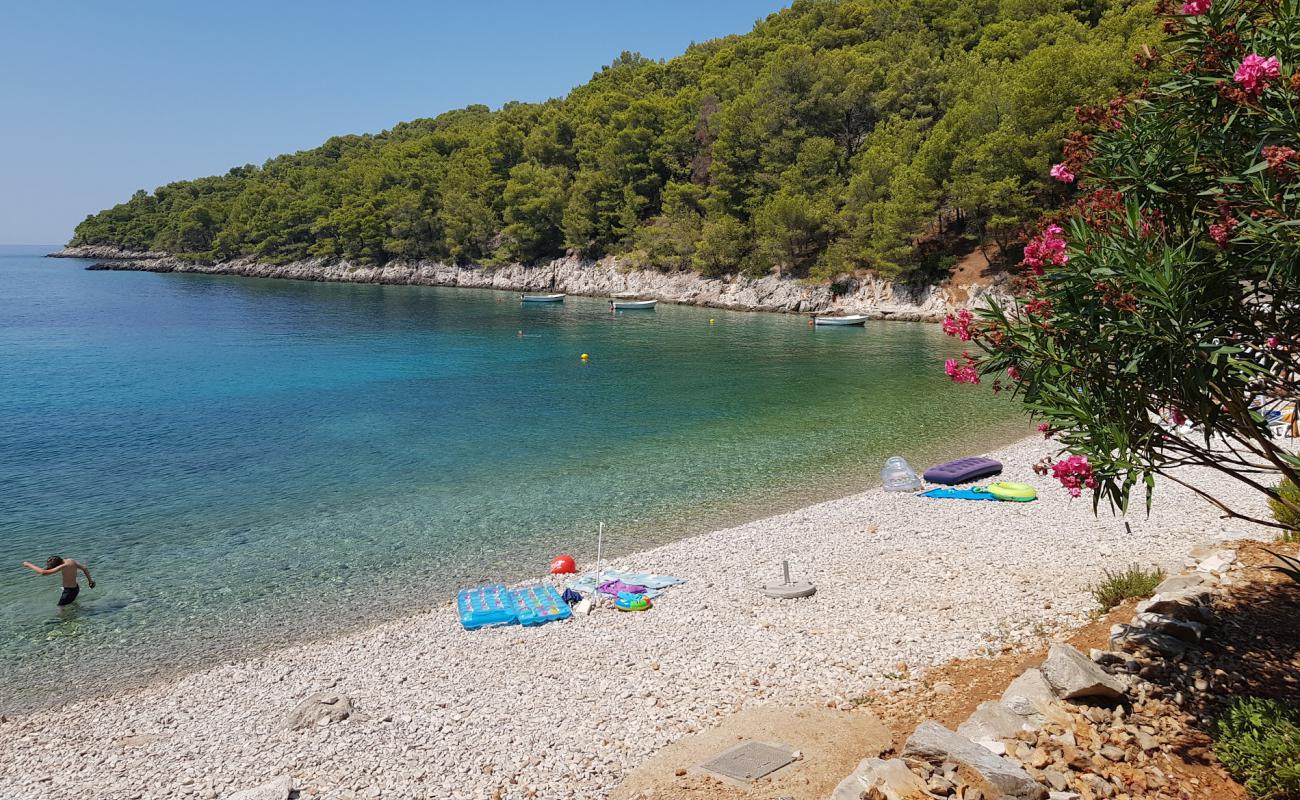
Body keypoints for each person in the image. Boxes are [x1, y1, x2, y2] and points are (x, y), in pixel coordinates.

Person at [21, 556, 95, 606]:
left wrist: (28, 565)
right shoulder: (71, 561)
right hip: (75, 588)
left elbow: (44, 572)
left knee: (60, 607)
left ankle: (63, 623)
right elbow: (84, 568)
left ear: (58, 565)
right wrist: (90, 581)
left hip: (69, 591)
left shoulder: (63, 566)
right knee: (72, 604)